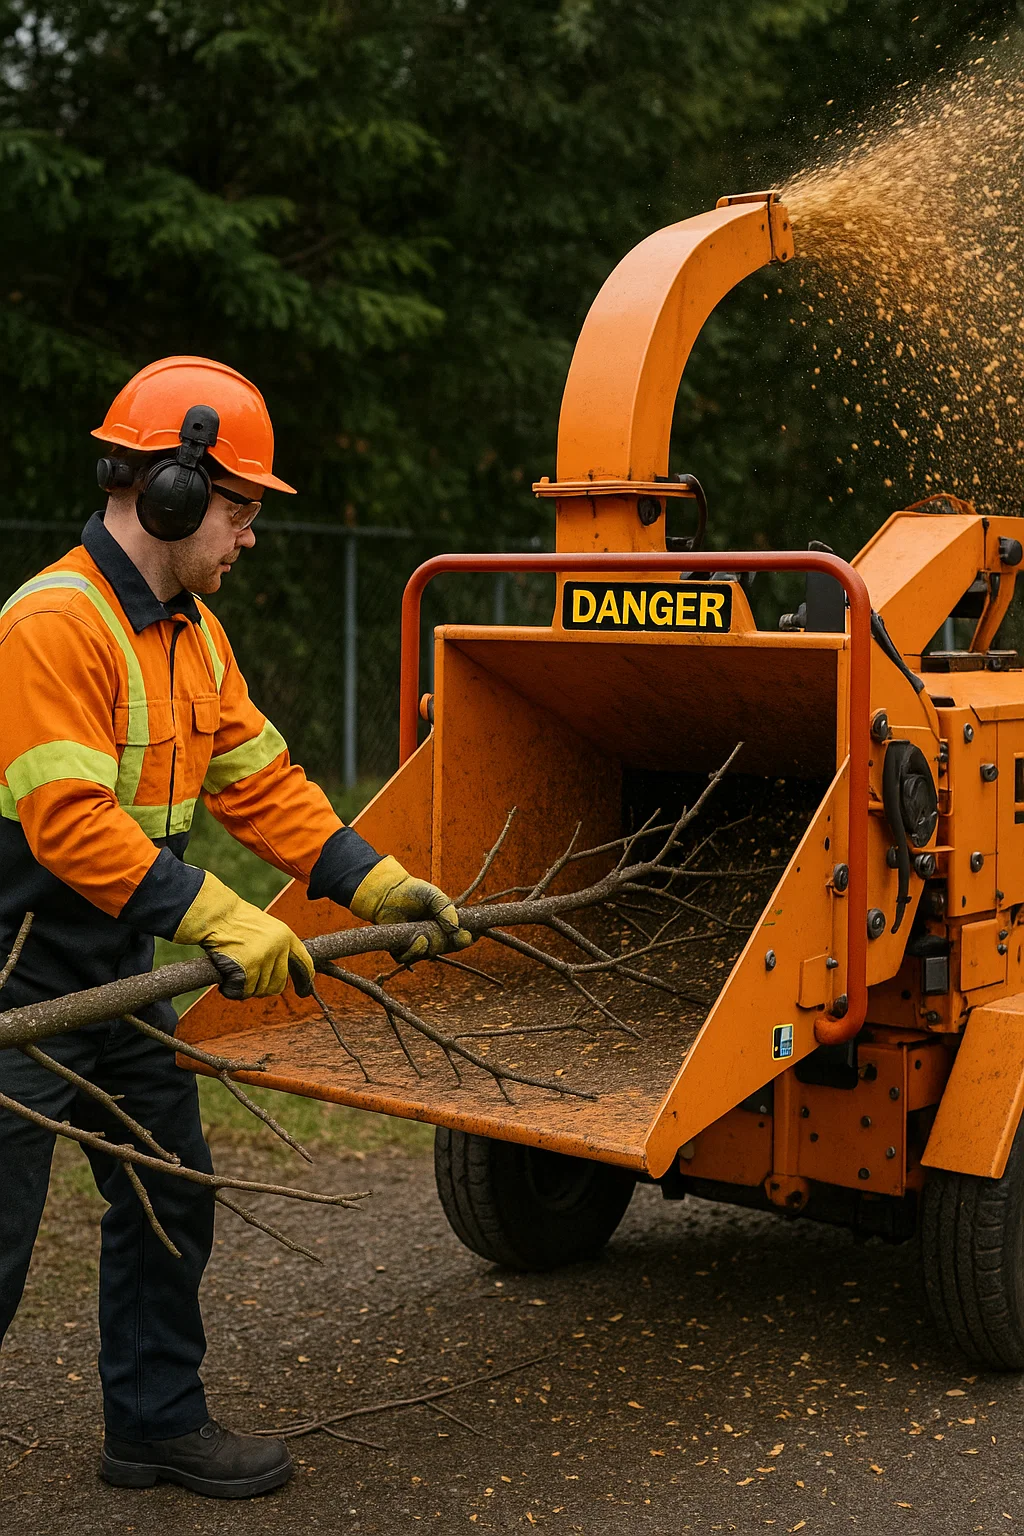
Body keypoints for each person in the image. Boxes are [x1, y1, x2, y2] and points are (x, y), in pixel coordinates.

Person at [0, 356, 469, 1499]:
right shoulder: (51, 622)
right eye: (239, 507)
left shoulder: (193, 634)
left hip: (117, 963)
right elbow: (67, 820)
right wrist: (212, 912)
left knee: (171, 1185)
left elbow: (262, 782)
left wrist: (375, 885)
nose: (249, 533)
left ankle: (153, 1423)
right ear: (167, 489)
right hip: (14, 977)